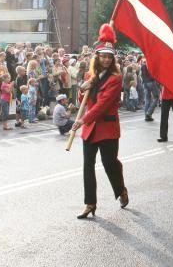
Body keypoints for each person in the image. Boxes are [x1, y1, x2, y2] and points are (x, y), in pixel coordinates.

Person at [72, 24, 128, 219]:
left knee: (109, 163)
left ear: (112, 59)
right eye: (102, 56)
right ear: (97, 57)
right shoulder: (90, 75)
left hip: (107, 128)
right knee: (88, 166)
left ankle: (121, 190)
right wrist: (82, 88)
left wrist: (81, 120)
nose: (105, 59)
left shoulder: (116, 78)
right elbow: (84, 101)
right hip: (90, 128)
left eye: (108, 56)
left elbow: (102, 106)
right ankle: (90, 203)